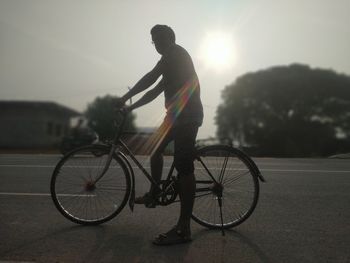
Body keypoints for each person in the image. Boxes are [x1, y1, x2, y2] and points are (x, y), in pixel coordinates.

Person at [117, 25, 203, 245]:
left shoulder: (175, 53)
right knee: (155, 149)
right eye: (154, 40)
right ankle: (155, 192)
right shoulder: (171, 63)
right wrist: (130, 107)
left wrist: (125, 96)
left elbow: (149, 78)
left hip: (188, 116)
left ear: (171, 38)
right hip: (174, 116)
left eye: (161, 38)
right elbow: (153, 91)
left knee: (183, 165)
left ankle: (184, 228)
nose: (158, 43)